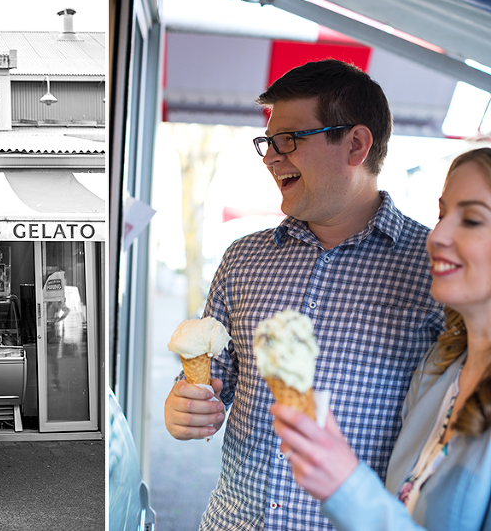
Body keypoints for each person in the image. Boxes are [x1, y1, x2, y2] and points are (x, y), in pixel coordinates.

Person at [163, 59, 445, 530]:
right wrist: (185, 406)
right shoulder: (243, 259)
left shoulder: (437, 269)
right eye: (268, 143)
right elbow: (212, 383)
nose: (271, 156)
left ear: (355, 144)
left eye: (288, 140)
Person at [272, 147, 491, 530]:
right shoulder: (437, 369)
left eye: (471, 220)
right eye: (441, 214)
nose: (437, 235)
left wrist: (349, 487)